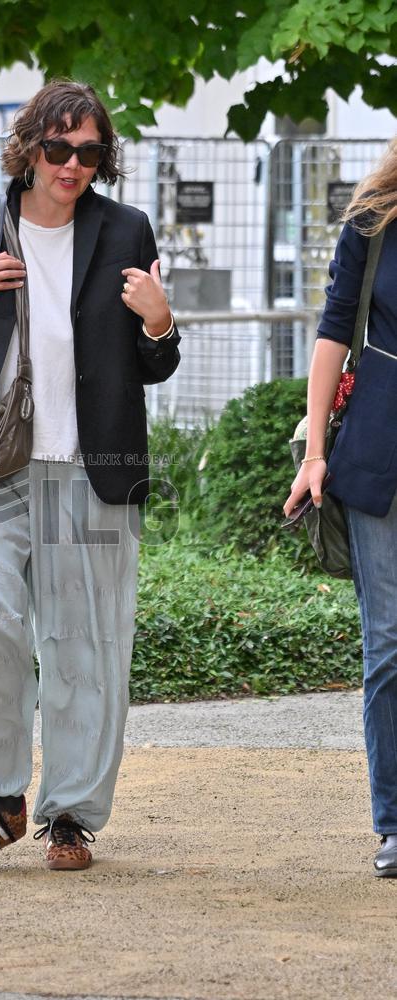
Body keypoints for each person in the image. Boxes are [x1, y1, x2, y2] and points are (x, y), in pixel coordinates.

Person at [0, 80, 180, 872]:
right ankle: (3, 793)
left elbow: (156, 364)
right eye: (57, 148)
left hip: (93, 468)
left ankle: (68, 814)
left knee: (86, 650)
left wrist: (159, 318)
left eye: (89, 152)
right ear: (29, 144)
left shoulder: (125, 229)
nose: (72, 165)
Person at [283, 142, 397, 876]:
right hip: (375, 452)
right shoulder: (372, 219)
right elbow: (332, 331)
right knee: (388, 641)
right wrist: (317, 449)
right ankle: (394, 821)